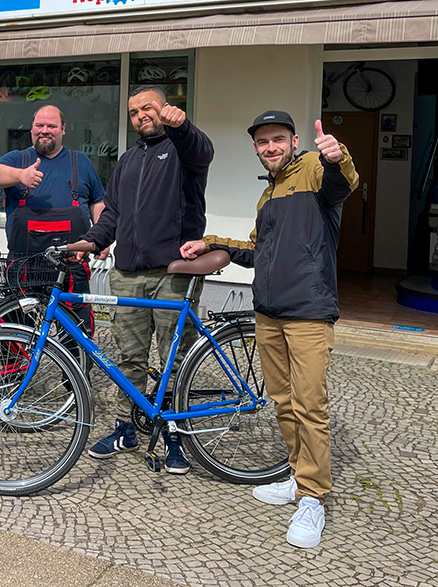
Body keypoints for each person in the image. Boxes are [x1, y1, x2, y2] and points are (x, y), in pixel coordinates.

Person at [180, 111, 358, 549]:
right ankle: (298, 478)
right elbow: (258, 249)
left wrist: (338, 157)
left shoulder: (316, 169)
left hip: (310, 311)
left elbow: (343, 184)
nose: (271, 147)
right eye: (263, 142)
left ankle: (314, 497)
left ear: (295, 141)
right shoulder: (271, 193)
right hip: (269, 312)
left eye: (278, 139)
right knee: (281, 401)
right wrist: (213, 241)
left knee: (309, 405)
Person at [76, 85, 214, 474]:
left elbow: (203, 151)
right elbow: (113, 214)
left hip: (172, 272)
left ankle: (175, 434)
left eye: (147, 108)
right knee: (129, 358)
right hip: (127, 274)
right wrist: (92, 240)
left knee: (175, 358)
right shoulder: (128, 160)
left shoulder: (184, 150)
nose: (140, 116)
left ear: (166, 107)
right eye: (134, 112)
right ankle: (126, 427)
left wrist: (183, 126)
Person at [0, 105, 105, 328]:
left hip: (71, 265)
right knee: (16, 334)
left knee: (76, 333)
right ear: (32, 129)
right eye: (39, 125)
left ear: (63, 129)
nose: (45, 130)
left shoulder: (81, 162)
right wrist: (20, 175)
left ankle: (76, 362)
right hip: (24, 266)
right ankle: (17, 364)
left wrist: (102, 238)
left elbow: (97, 203)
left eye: (51, 126)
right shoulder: (18, 159)